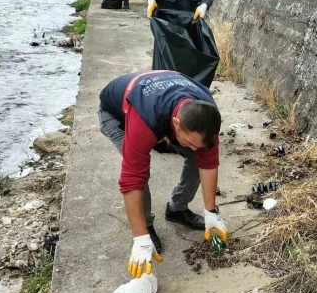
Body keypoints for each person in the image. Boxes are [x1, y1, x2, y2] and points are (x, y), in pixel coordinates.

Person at [98, 70, 228, 277]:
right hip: (116, 114)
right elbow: (131, 179)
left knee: (197, 156)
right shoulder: (146, 117)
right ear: (176, 123)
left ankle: (177, 209)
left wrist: (211, 212)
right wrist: (139, 238)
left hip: (163, 104)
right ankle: (147, 226)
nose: (194, 148)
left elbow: (209, 162)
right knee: (141, 172)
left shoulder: (207, 114)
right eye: (191, 143)